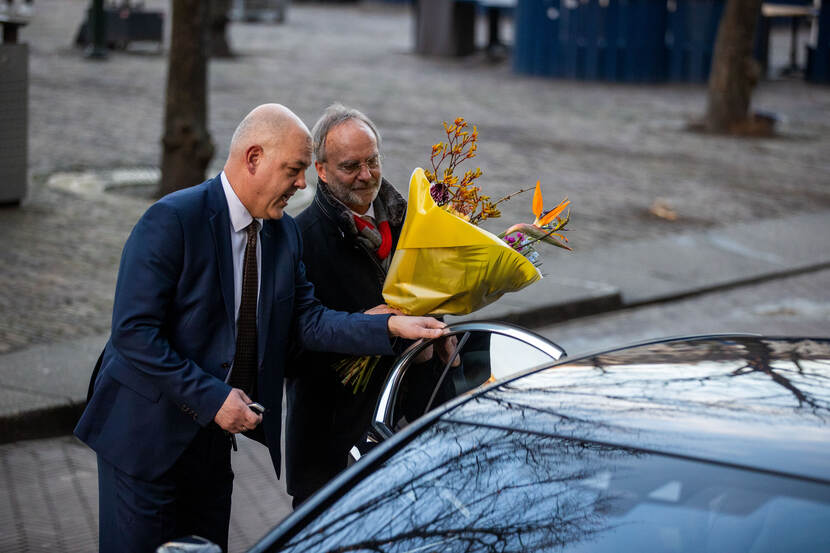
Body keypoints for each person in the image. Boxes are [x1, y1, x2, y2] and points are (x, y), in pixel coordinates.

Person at [73, 103, 446, 553]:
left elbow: (308, 320)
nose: (302, 184)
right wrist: (213, 399)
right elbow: (134, 335)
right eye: (294, 169)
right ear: (254, 159)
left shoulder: (282, 235)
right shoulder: (172, 220)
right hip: (143, 438)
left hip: (213, 442)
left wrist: (390, 328)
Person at [285, 104, 456, 508]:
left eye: (373, 160)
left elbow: (434, 291)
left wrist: (436, 328)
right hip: (337, 447)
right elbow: (292, 348)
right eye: (351, 166)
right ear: (322, 171)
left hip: (421, 422)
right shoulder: (298, 239)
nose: (366, 175)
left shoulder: (417, 220)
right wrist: (374, 330)